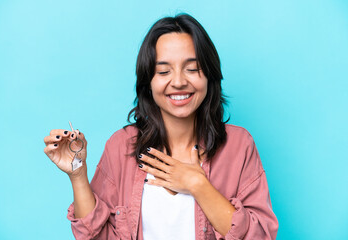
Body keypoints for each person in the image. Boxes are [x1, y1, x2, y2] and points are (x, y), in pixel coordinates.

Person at [43, 13, 278, 240]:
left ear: (209, 75)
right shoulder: (121, 145)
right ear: (149, 82)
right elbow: (96, 236)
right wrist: (78, 175)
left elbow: (261, 236)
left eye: (192, 68)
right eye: (164, 71)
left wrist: (197, 185)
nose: (178, 82)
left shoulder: (238, 145)